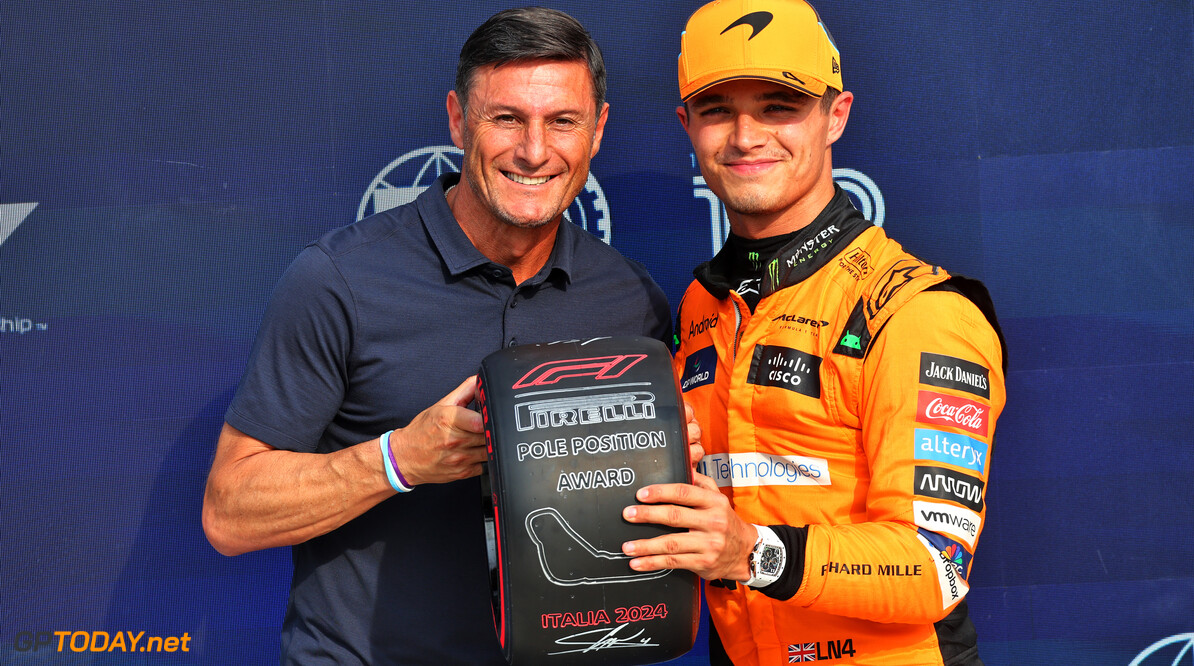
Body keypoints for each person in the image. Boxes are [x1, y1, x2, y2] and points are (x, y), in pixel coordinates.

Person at [201, 7, 675, 664]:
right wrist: (398, 460)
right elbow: (229, 512)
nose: (535, 150)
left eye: (562, 121)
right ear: (458, 119)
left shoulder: (632, 301)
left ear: (597, 130)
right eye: (506, 118)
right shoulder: (339, 279)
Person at [621, 1, 1008, 664]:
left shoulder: (918, 310)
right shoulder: (700, 306)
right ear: (687, 126)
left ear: (837, 115)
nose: (745, 136)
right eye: (718, 110)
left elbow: (934, 563)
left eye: (778, 106)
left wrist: (752, 551)